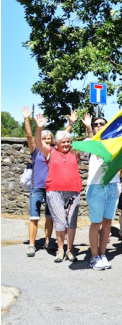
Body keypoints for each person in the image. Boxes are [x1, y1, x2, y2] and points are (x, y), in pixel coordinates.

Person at [34, 114, 82, 263]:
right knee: (60, 221)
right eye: (63, 142)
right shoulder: (51, 152)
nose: (67, 144)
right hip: (54, 192)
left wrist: (87, 127)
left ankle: (70, 250)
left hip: (73, 191)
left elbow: (90, 143)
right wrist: (40, 127)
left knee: (71, 222)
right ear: (56, 143)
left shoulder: (74, 152)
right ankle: (60, 250)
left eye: (68, 142)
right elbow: (37, 142)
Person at [21, 106, 64, 256]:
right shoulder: (35, 150)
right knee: (34, 217)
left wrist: (70, 123)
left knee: (49, 218)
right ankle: (32, 245)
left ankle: (48, 242)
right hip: (37, 187)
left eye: (49, 139)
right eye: (44, 138)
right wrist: (27, 118)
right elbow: (29, 136)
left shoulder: (54, 151)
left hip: (51, 188)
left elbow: (64, 138)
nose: (47, 141)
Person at [80, 113, 121, 270]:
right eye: (96, 124)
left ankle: (103, 254)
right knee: (96, 223)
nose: (99, 126)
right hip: (96, 186)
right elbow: (86, 145)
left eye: (102, 123)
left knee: (107, 222)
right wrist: (89, 128)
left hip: (112, 184)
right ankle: (94, 256)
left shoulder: (114, 143)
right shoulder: (89, 141)